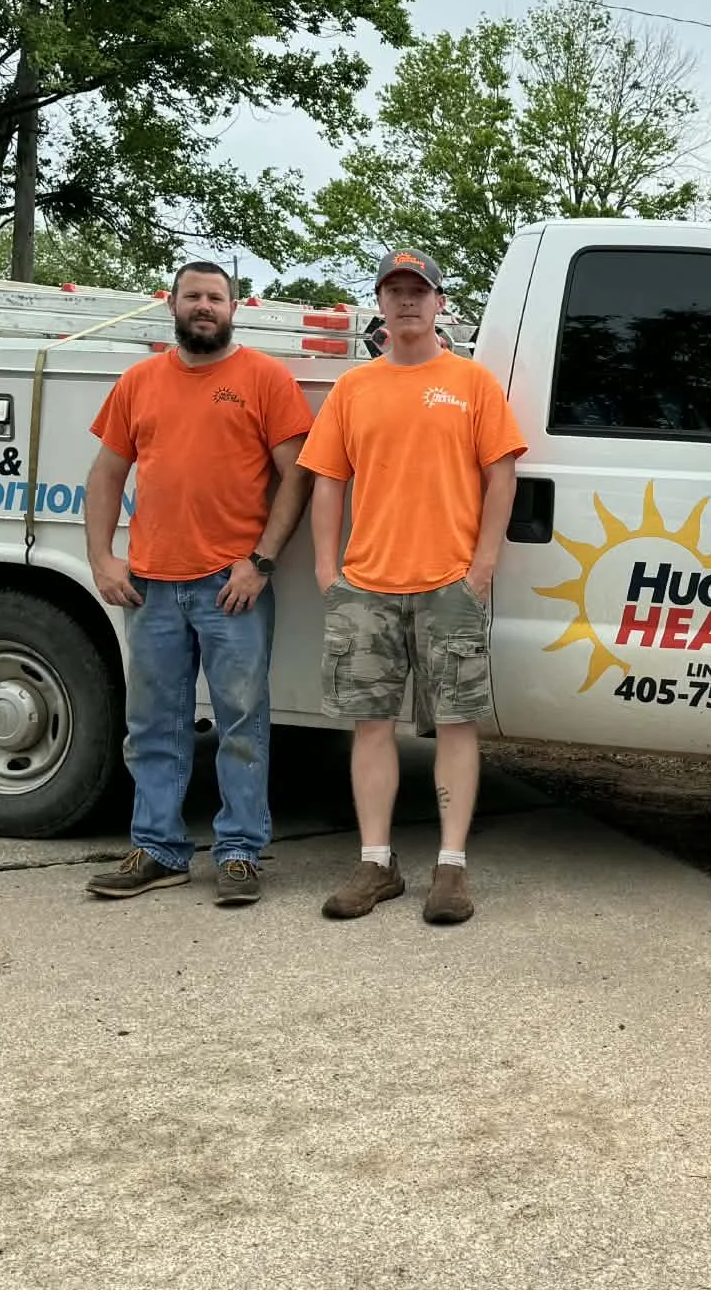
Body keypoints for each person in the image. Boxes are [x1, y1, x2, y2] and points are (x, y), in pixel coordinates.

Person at [300, 247, 526, 926]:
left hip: (449, 584)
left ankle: (450, 870)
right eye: (394, 291)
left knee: (455, 724)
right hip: (366, 585)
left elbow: (502, 475)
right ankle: (376, 863)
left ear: (439, 303)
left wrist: (482, 564)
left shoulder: (473, 384)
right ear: (380, 303)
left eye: (417, 291)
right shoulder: (353, 389)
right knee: (372, 725)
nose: (406, 302)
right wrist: (324, 567)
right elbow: (327, 482)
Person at [82, 261, 317, 907]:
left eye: (216, 297)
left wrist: (260, 561)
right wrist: (102, 559)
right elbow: (105, 475)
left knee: (243, 723)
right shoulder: (139, 382)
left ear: (235, 308)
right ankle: (158, 850)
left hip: (230, 588)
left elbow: (296, 476)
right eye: (193, 296)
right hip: (151, 587)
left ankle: (240, 852)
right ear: (173, 305)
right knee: (153, 725)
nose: (204, 306)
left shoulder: (265, 379)